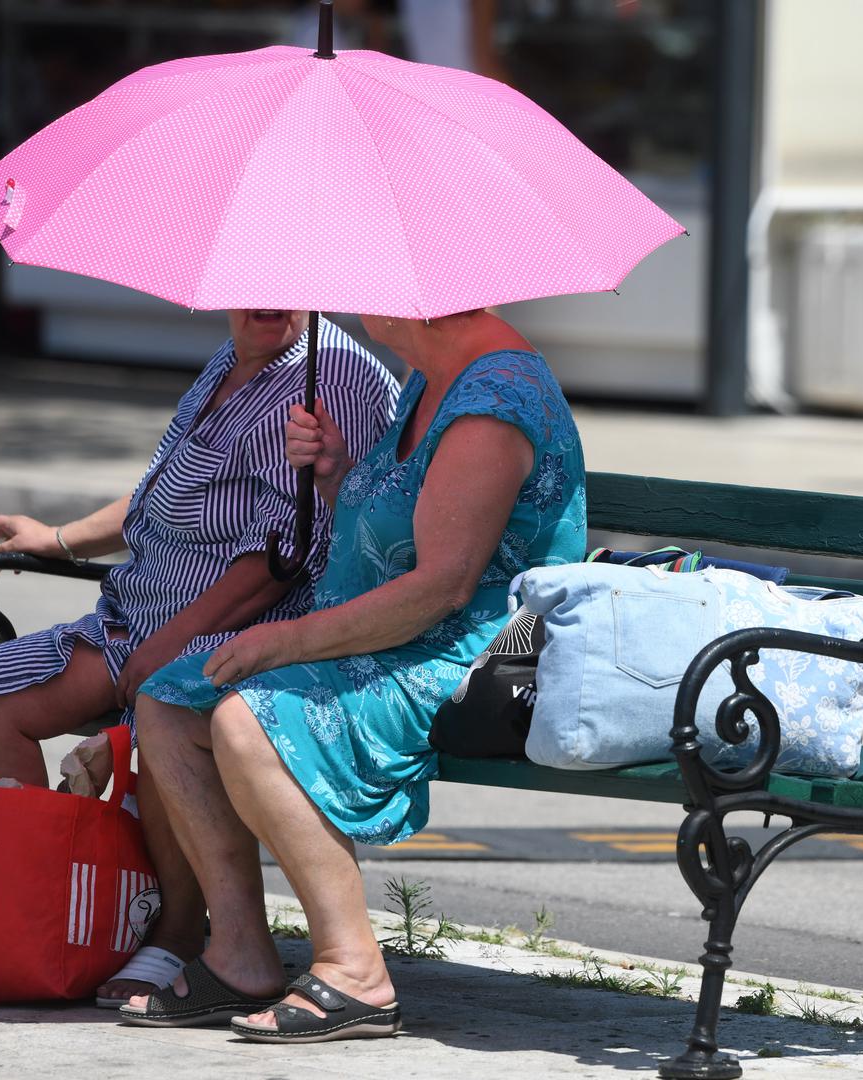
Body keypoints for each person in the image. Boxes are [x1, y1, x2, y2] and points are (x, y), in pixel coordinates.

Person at [122, 308, 585, 1042]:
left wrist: (285, 640)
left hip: (464, 657)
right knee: (171, 700)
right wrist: (337, 474)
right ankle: (239, 952)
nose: (351, 296)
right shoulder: (430, 377)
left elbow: (442, 589)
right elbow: (392, 538)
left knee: (247, 721)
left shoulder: (493, 403)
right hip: (388, 634)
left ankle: (354, 970)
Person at [0, 309, 400, 1005]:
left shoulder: (328, 375)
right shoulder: (230, 360)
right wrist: (59, 538)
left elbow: (284, 558)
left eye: (286, 282)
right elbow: (162, 494)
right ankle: (14, 914)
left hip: (233, 631)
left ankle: (178, 934)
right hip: (134, 617)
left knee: (171, 696)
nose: (267, 300)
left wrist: (168, 645)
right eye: (249, 280)